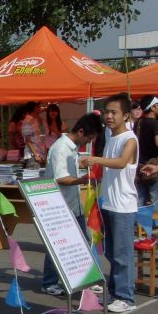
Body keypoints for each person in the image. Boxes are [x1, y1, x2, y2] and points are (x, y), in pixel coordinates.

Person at [80, 93, 139, 313]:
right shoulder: (110, 136)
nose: (109, 116)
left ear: (126, 115)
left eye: (114, 112)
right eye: (107, 112)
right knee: (112, 253)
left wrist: (95, 159)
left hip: (123, 205)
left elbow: (121, 162)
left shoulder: (130, 139)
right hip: (108, 203)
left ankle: (126, 297)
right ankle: (116, 293)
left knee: (122, 254)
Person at [40, 113, 104, 296]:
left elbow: (70, 170)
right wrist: (83, 180)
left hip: (73, 203)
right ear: (81, 131)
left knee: (81, 242)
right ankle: (49, 282)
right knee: (58, 244)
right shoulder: (61, 148)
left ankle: (84, 279)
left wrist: (84, 167)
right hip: (60, 205)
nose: (88, 142)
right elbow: (61, 177)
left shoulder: (72, 148)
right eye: (89, 138)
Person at [134, 95, 158, 208]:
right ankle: (155, 220)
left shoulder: (138, 123)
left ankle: (141, 219)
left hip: (139, 166)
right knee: (156, 202)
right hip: (154, 165)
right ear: (153, 107)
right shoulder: (155, 123)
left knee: (140, 202)